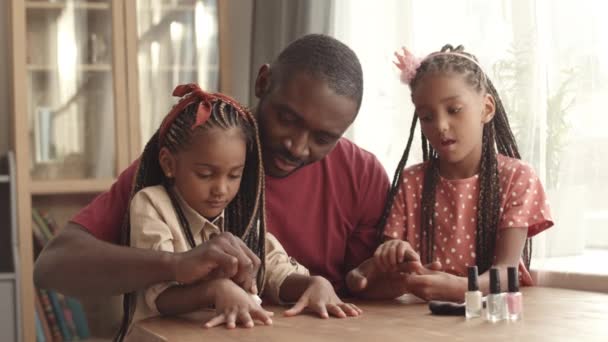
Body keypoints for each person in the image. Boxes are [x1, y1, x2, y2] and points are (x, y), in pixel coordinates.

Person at [34, 34, 390, 317]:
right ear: (263, 81)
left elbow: (360, 292)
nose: (298, 147)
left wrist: (384, 276)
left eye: (323, 138)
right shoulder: (190, 156)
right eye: (288, 118)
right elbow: (53, 266)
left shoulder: (362, 175)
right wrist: (175, 265)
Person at [117, 84, 359, 339]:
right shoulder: (152, 204)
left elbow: (273, 270)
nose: (221, 189)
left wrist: (313, 284)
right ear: (169, 164)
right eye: (205, 174)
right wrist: (215, 290)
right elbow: (159, 296)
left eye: (234, 175)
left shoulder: (241, 209)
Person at [347, 44, 553, 302]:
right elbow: (362, 280)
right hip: (419, 324)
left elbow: (506, 272)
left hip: (494, 319)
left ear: (487, 109)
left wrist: (464, 289)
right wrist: (388, 261)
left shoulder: (517, 178)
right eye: (427, 116)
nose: (441, 126)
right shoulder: (411, 183)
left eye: (454, 110)